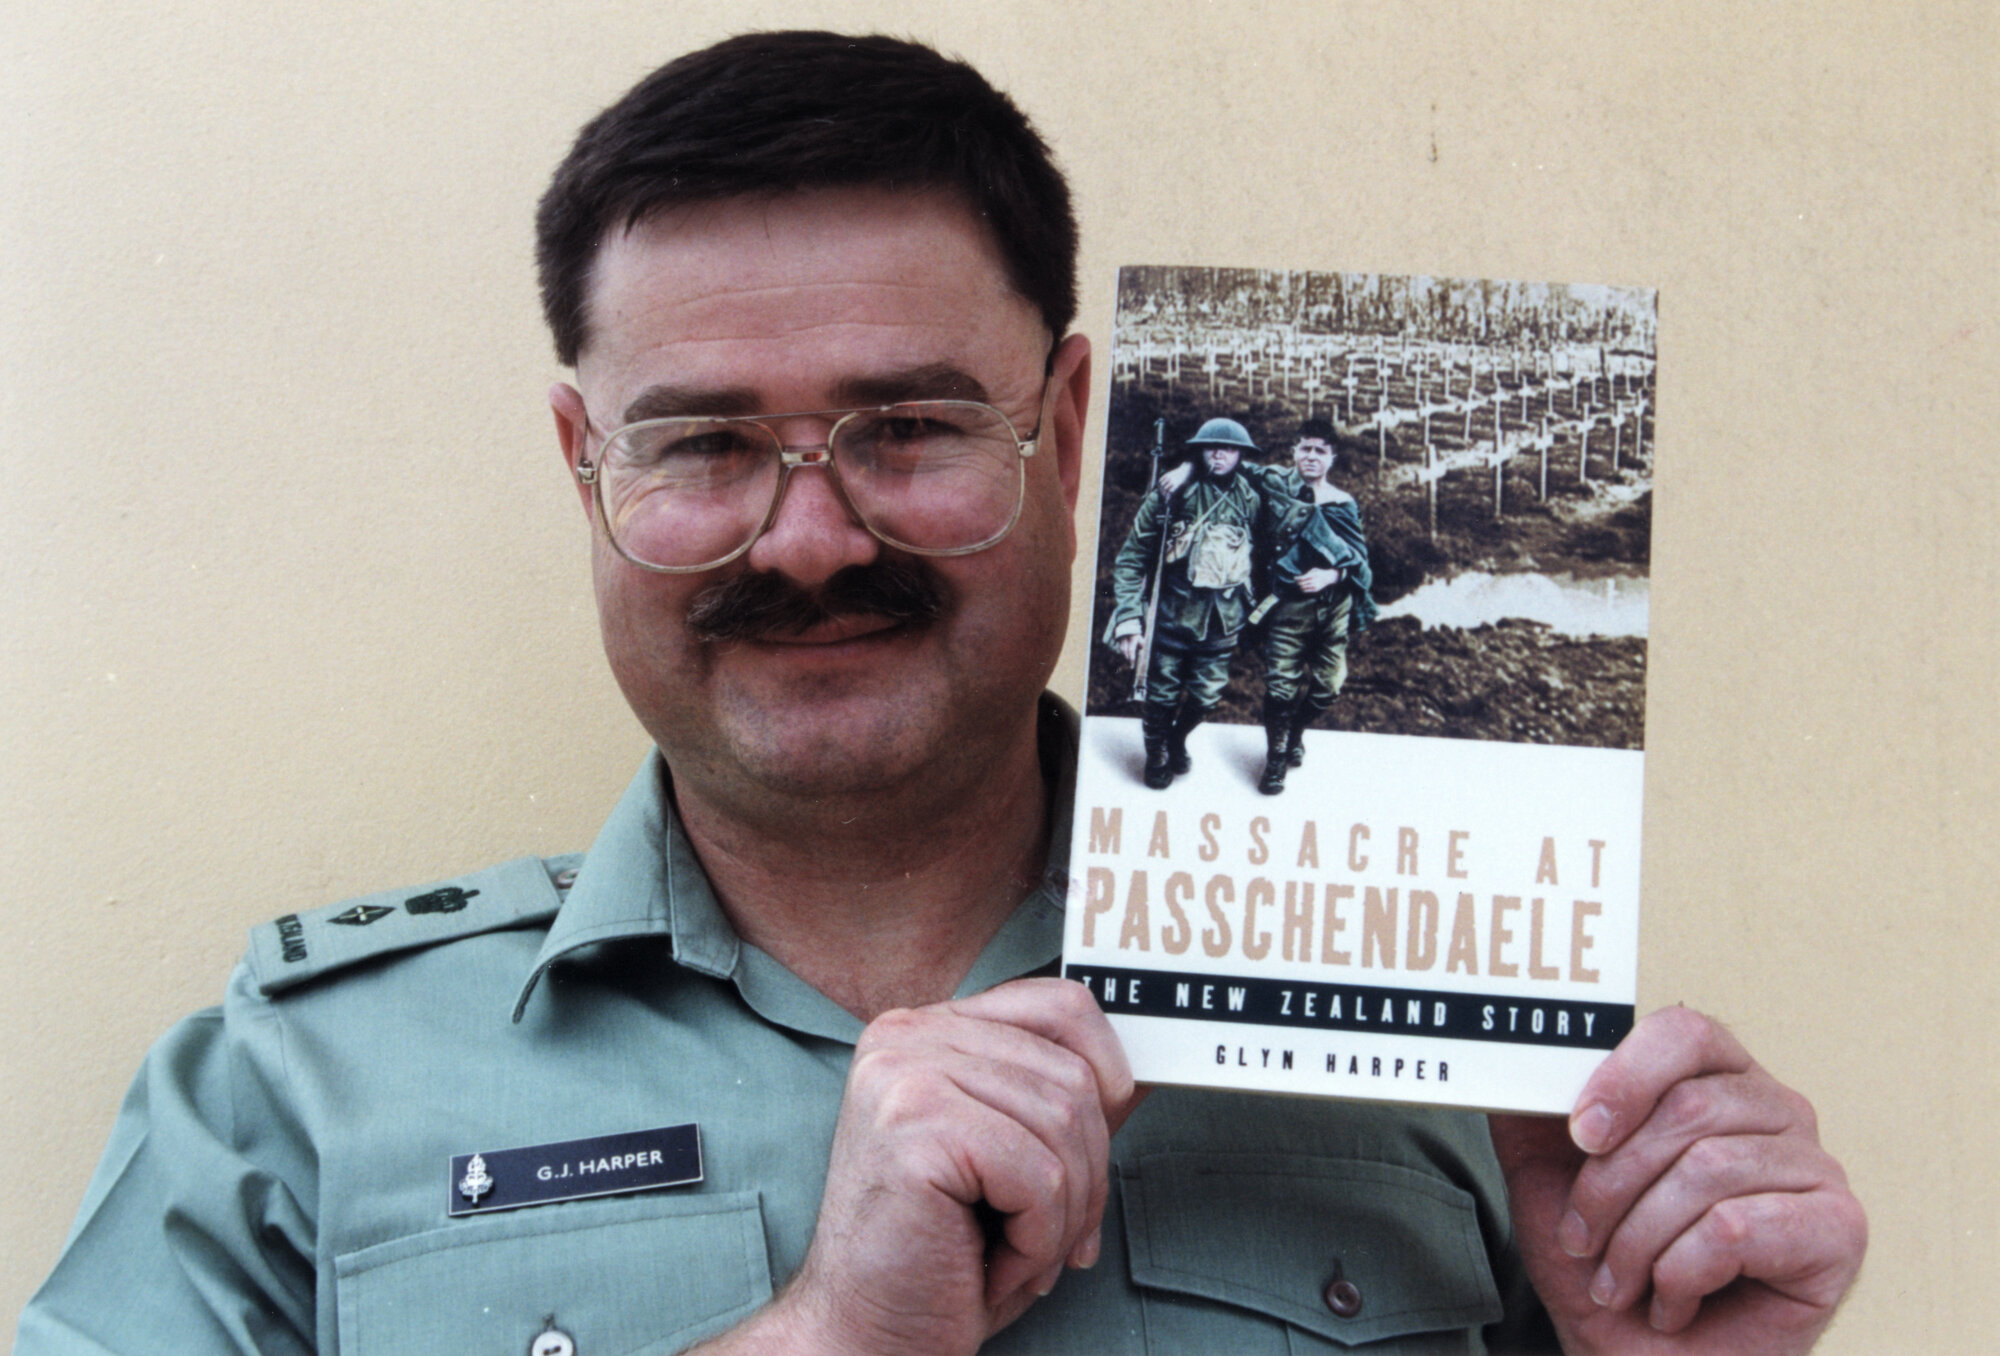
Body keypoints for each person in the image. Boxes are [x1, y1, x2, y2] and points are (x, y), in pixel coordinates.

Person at [18, 30, 1865, 1356]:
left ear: (1067, 427)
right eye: (703, 444)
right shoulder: (295, 1088)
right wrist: (824, 1336)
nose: (812, 539)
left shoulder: (1463, 1056)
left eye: (907, 426)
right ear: (586, 466)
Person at [1105, 418, 1300, 789]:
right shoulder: (1173, 493)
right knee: (1161, 693)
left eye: (1229, 449)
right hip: (1172, 615)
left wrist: (1189, 464)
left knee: (1207, 695)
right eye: (1211, 447)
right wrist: (1129, 619)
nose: (1219, 455)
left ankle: (1176, 738)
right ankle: (1157, 754)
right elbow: (1131, 559)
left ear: (1242, 454)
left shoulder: (1251, 497)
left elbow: (1280, 496)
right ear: (1199, 451)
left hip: (1223, 620)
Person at [1252, 418, 1376, 793]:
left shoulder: (1342, 503)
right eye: (1304, 448)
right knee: (1281, 688)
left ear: (1332, 457)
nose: (1311, 456)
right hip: (1287, 606)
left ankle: (1295, 732)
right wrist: (1185, 467)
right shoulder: (1274, 485)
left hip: (1333, 609)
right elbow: (1230, 467)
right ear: (1294, 452)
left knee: (1329, 687)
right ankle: (1275, 760)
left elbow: (1360, 561)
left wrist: (1333, 575)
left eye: (1320, 450)